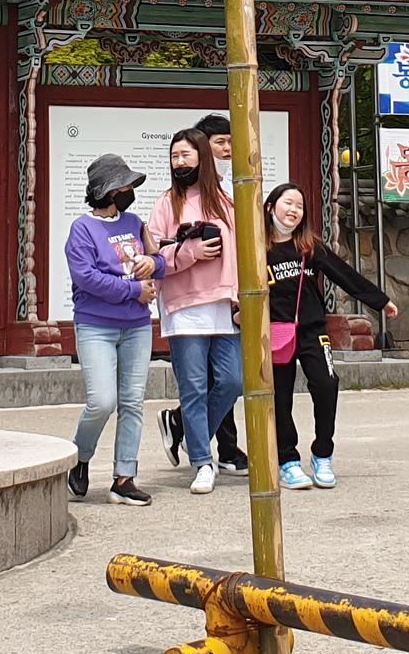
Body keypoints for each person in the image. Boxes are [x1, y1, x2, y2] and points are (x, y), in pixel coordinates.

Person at [260, 180, 395, 489]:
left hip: (312, 330)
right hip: (274, 333)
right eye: (287, 203)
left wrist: (381, 301)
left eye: (299, 206)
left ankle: (323, 453)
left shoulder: (310, 245)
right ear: (270, 207)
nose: (293, 210)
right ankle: (287, 461)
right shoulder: (257, 247)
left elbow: (344, 274)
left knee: (326, 382)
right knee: (279, 396)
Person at [62, 153, 161, 506]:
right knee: (102, 401)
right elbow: (85, 278)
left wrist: (154, 264)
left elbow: (158, 260)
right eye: (124, 185)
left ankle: (124, 478)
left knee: (133, 402)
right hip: (96, 325)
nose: (129, 190)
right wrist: (135, 291)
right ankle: (79, 458)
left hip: (136, 326)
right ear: (106, 190)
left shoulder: (135, 222)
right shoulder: (82, 229)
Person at [144, 129, 240, 492]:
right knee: (195, 386)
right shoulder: (167, 203)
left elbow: (243, 252)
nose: (180, 162)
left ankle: (187, 431)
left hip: (225, 304)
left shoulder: (228, 201)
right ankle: (202, 461)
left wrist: (241, 298)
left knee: (232, 381)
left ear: (203, 156)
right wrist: (190, 253)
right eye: (174, 156)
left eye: (185, 155)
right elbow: (152, 257)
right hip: (183, 306)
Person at [190, 112, 250, 470]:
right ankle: (214, 449)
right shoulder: (189, 191)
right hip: (200, 292)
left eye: (230, 142)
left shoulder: (236, 185)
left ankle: (187, 427)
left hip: (234, 292)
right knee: (212, 377)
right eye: (220, 143)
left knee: (228, 377)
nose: (228, 149)